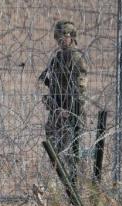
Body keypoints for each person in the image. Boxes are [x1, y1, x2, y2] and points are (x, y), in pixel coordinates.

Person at [39, 20, 88, 186]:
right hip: (56, 112)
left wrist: (69, 111)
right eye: (57, 38)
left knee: (70, 153)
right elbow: (49, 82)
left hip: (71, 114)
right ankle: (55, 186)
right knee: (53, 150)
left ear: (71, 37)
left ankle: (75, 187)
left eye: (62, 37)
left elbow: (80, 90)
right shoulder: (57, 59)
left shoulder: (76, 59)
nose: (59, 41)